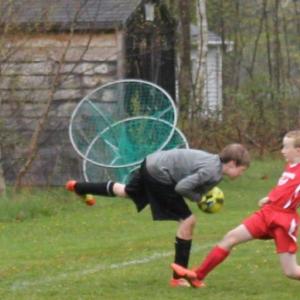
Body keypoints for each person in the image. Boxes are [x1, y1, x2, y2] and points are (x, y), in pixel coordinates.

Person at [66, 144, 250, 288]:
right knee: (188, 221)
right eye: (242, 170)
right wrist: (200, 199)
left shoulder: (212, 163)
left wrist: (200, 196)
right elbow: (182, 188)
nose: (242, 174)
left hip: (152, 162)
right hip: (160, 174)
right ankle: (179, 278)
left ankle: (78, 187)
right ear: (232, 163)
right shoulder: (212, 170)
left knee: (126, 192)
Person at [171, 129, 300, 287]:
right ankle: (197, 276)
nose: (282, 150)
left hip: (284, 220)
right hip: (267, 213)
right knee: (230, 238)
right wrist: (270, 198)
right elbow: (287, 187)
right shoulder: (291, 165)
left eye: (286, 147)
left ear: (298, 150)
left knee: (291, 271)